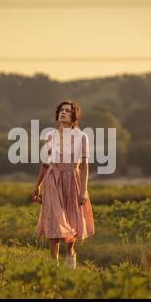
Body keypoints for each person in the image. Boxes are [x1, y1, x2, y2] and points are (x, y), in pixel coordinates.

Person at [33, 100, 94, 269]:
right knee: (54, 220)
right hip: (52, 180)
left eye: (67, 111)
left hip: (72, 179)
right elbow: (45, 163)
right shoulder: (50, 136)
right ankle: (54, 265)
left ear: (74, 116)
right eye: (61, 110)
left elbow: (85, 165)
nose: (63, 112)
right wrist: (38, 185)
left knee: (71, 221)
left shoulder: (82, 137)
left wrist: (84, 190)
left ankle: (70, 254)